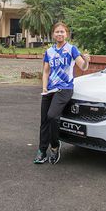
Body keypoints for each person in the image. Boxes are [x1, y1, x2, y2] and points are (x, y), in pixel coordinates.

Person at [34, 21, 90, 165]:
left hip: (64, 89)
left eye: (62, 32)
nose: (59, 34)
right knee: (44, 121)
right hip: (49, 89)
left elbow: (82, 67)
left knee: (52, 116)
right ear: (53, 34)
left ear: (66, 34)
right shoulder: (49, 51)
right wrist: (44, 87)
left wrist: (86, 61)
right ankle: (42, 150)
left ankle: (54, 146)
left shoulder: (71, 49)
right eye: (57, 31)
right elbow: (46, 71)